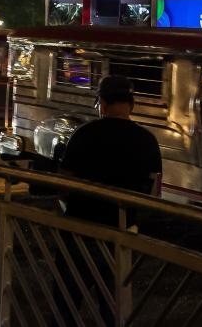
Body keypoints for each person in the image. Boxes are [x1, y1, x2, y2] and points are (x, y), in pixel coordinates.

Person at [53, 75, 162, 326]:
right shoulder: (148, 140)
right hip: (121, 234)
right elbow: (154, 193)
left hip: (80, 230)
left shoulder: (84, 134)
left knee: (66, 305)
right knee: (114, 309)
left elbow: (64, 184)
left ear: (101, 103)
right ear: (131, 105)